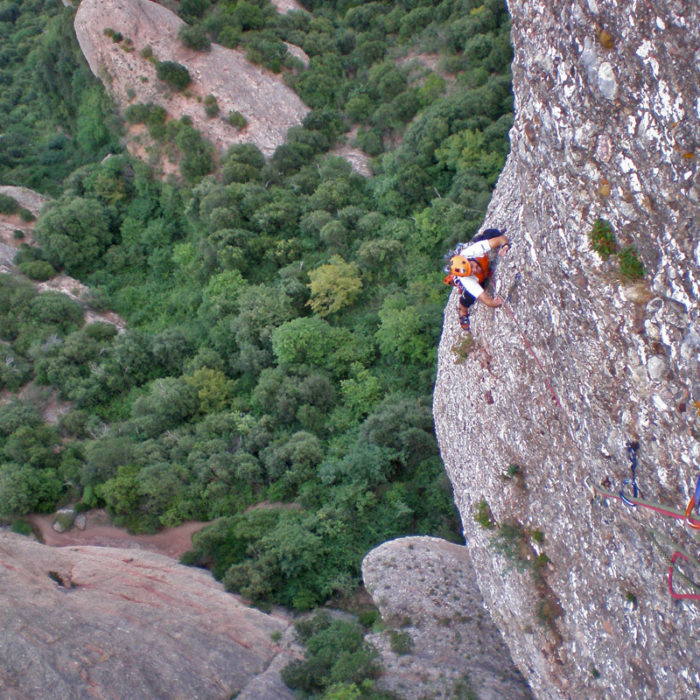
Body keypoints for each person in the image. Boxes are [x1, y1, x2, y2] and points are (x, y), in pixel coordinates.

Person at [443, 228, 510, 331]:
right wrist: (493, 303)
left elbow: (500, 239)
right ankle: (463, 312)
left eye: (472, 266)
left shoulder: (472, 251)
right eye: (471, 272)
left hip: (481, 263)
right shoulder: (467, 280)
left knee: (490, 234)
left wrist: (505, 246)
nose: (475, 270)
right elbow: (485, 299)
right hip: (480, 280)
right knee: (468, 298)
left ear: (468, 259)